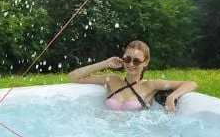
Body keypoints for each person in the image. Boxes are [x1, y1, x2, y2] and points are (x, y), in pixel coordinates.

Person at [67, 40, 197, 113]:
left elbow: (191, 83)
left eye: (136, 61)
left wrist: (172, 97)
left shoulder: (149, 85)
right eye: (127, 59)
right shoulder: (112, 80)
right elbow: (74, 76)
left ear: (145, 63)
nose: (130, 64)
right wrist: (105, 63)